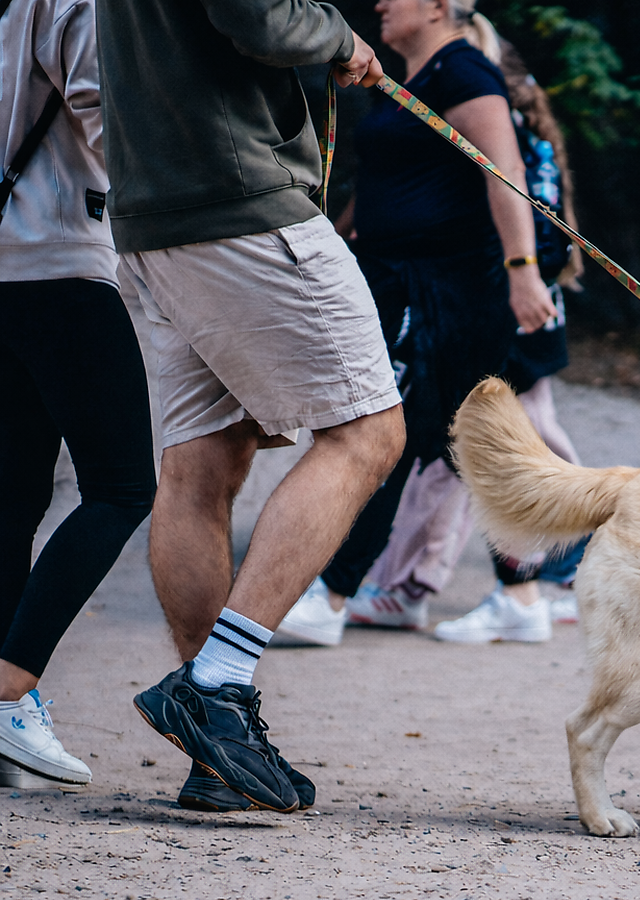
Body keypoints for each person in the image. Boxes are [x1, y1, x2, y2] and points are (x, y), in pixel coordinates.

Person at [97, 0, 405, 813]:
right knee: (369, 431)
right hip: (237, 199)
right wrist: (338, 35)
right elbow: (260, 16)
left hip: (152, 212)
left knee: (201, 465)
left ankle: (215, 753)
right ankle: (218, 684)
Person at [276, 45, 589, 646]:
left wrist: (524, 274)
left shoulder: (463, 72)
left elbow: (506, 177)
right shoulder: (410, 75)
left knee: (416, 438)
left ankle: (339, 594)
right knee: (453, 442)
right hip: (413, 289)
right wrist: (337, 237)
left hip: (453, 297)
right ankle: (509, 596)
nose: (383, 4)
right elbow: (389, 183)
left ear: (438, 5)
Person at [0, 0, 156, 791]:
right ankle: (9, 686)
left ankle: (5, 709)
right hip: (61, 260)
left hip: (5, 268)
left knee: (14, 495)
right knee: (123, 487)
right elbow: (109, 124)